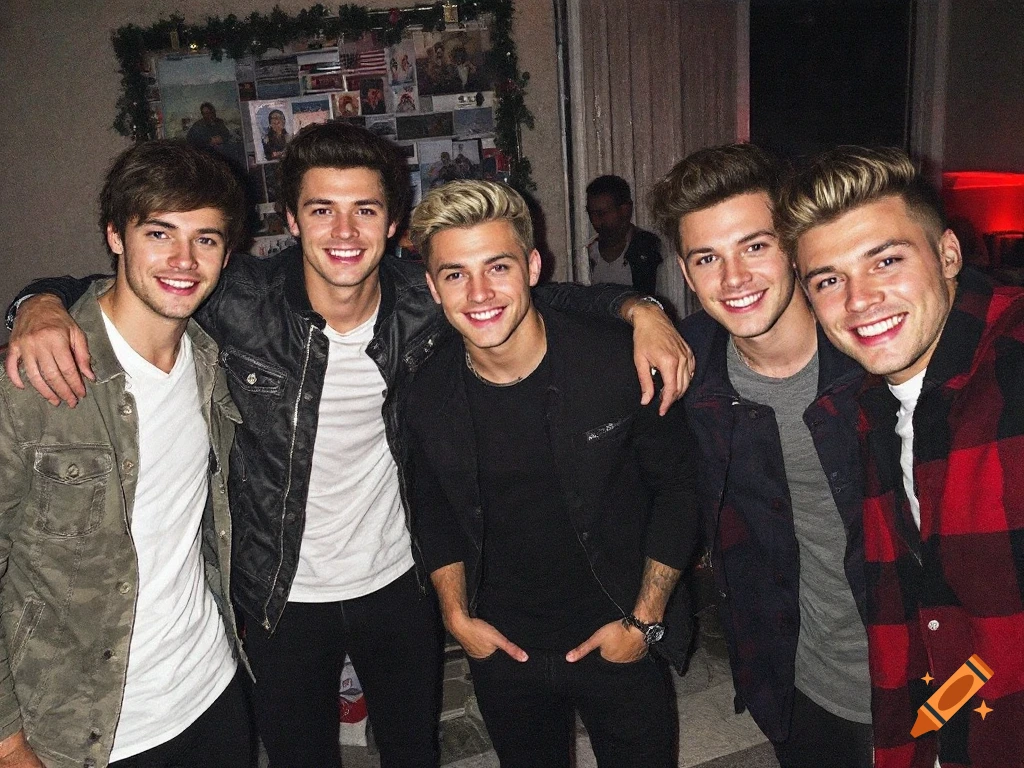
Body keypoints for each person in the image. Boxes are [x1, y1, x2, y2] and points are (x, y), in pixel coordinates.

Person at [4, 123, 693, 767]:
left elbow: (523, 293)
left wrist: (642, 309)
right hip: (278, 592)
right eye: (322, 209)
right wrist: (37, 303)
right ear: (291, 220)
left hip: (395, 581)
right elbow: (131, 281)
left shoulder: (425, 299)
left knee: (411, 752)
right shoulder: (233, 298)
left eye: (364, 210)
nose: (343, 230)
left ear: (393, 226)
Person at [406, 180, 698, 767]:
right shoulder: (426, 389)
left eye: (498, 266)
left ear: (533, 266)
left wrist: (643, 621)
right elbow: (431, 505)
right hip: (504, 649)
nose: (480, 292)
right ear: (433, 287)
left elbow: (679, 488)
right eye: (456, 274)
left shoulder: (618, 358)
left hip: (619, 629)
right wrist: (457, 616)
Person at [0, 140, 252, 767]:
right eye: (160, 233)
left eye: (207, 240)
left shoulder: (212, 360)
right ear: (115, 236)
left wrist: (37, 298)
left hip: (211, 691)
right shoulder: (33, 382)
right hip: (85, 729)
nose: (184, 261)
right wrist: (6, 742)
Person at [779, 146, 1024, 768]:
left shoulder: (1012, 365)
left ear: (947, 255)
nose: (859, 300)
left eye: (885, 260)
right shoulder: (875, 407)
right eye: (828, 280)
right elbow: (934, 621)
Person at [649, 143, 873, 767]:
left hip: (926, 666)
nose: (734, 279)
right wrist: (635, 306)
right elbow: (541, 317)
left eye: (755, 245)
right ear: (687, 275)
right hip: (797, 682)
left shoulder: (876, 345)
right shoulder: (689, 371)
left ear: (796, 246)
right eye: (707, 258)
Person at [586, 174, 663, 295]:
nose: (595, 221)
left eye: (602, 213)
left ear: (625, 210)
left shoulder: (648, 248)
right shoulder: (589, 253)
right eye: (591, 214)